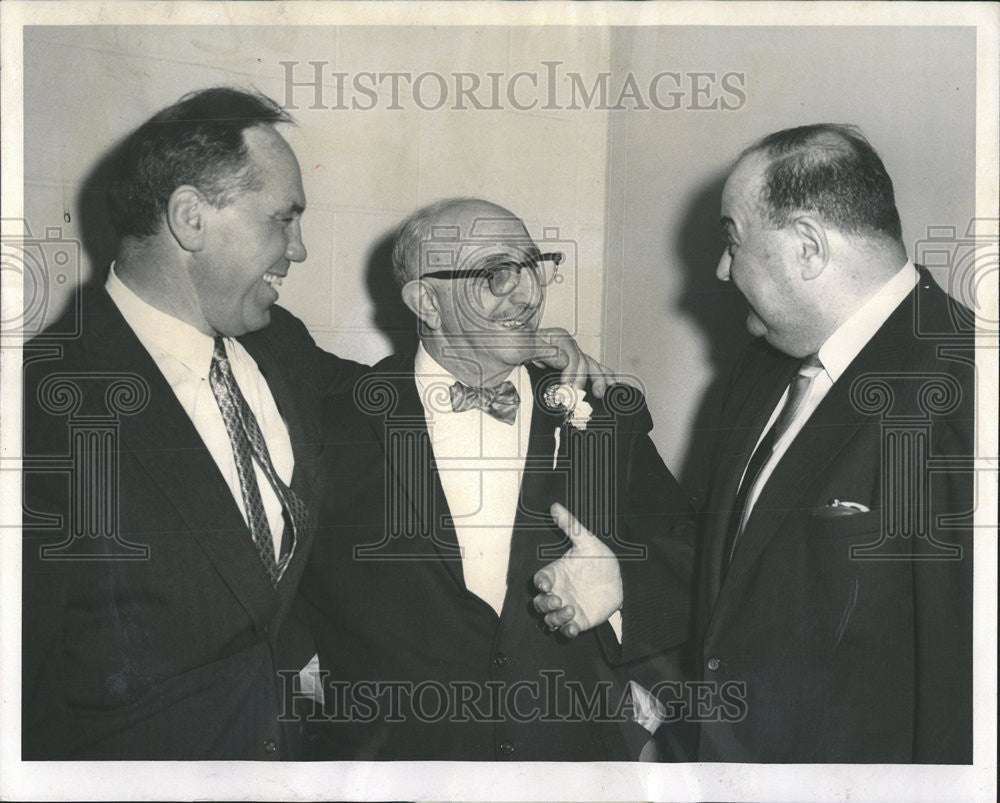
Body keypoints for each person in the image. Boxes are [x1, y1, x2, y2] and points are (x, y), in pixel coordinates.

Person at [21, 90, 602, 760]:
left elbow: (398, 390)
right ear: (189, 218)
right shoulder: (39, 407)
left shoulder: (279, 345)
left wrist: (520, 354)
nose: (297, 249)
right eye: (282, 219)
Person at [536, 124, 974, 763]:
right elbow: (743, 589)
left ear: (807, 247)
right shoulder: (760, 370)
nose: (719, 268)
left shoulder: (965, 388)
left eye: (732, 240)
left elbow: (961, 693)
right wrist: (627, 591)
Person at [295, 198, 696, 760]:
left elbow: (690, 560)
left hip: (571, 769)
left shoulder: (601, 413)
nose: (530, 294)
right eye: (496, 273)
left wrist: (624, 588)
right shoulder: (331, 425)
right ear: (427, 302)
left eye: (535, 266)